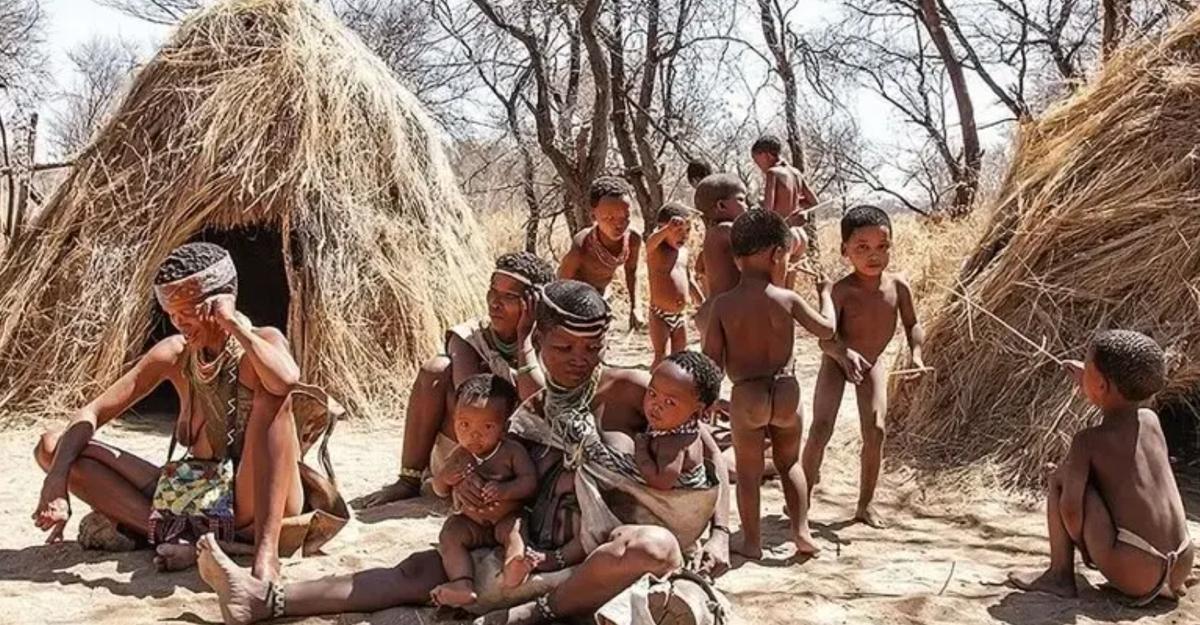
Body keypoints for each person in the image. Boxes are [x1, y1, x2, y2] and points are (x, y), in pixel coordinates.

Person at [197, 280, 734, 625]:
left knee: (652, 546)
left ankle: (532, 617)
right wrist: (481, 493)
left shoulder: (631, 391)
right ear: (535, 341)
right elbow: (509, 466)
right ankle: (265, 600)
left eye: (591, 347)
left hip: (605, 560)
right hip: (529, 547)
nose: (579, 359)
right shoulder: (528, 399)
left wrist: (720, 533)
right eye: (563, 347)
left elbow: (710, 457)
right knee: (416, 573)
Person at [32, 242, 344, 582]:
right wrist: (56, 479)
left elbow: (286, 379)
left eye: (188, 312)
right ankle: (183, 537)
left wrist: (233, 325)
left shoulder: (261, 342)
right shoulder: (176, 354)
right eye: (172, 313)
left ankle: (263, 553)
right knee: (53, 447)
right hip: (193, 490)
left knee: (272, 394)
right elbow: (92, 412)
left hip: (254, 504)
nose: (179, 323)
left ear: (220, 302)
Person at [1009, 330, 1194, 605]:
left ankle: (1059, 575)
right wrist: (1092, 380)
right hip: (1180, 563)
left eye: (1088, 369)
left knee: (1060, 478)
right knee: (1095, 480)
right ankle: (1166, 583)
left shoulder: (1087, 442)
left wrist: (1084, 545)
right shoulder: (1150, 421)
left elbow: (1071, 509)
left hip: (1137, 573)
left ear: (1102, 386)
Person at [364, 252, 555, 506]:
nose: (495, 303)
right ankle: (409, 479)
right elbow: (474, 407)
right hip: (468, 446)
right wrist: (467, 469)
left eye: (509, 297)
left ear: (534, 303)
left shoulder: (552, 342)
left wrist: (524, 338)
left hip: (520, 457)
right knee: (436, 370)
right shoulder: (468, 337)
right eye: (492, 292)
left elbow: (536, 402)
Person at [703, 209, 835, 559]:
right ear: (778, 254)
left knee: (748, 473)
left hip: (747, 394)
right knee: (790, 463)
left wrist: (709, 400)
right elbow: (827, 330)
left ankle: (751, 542)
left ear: (736, 258)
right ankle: (802, 533)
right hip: (786, 390)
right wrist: (826, 295)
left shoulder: (723, 306)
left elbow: (711, 362)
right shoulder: (787, 299)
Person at [802, 206, 923, 529]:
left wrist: (916, 354)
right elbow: (825, 340)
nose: (874, 255)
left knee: (876, 430)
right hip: (836, 363)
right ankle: (802, 497)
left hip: (871, 363)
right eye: (862, 247)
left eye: (882, 246)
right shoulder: (841, 291)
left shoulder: (898, 286)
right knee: (821, 429)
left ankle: (865, 505)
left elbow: (912, 324)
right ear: (845, 251)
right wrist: (843, 354)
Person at [430, 374, 539, 607]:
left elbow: (530, 483)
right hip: (471, 524)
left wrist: (505, 489)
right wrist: (445, 478)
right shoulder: (459, 455)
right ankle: (462, 584)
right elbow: (438, 489)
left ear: (505, 427)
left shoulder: (511, 452)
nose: (474, 434)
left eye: (487, 426)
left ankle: (514, 567)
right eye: (464, 425)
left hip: (505, 518)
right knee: (450, 533)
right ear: (454, 422)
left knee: (516, 531)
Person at [558, 176, 644, 330]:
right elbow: (561, 281)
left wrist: (635, 307)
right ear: (593, 216)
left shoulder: (633, 239)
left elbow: (631, 270)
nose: (619, 224)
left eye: (625, 217)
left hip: (602, 294)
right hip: (574, 296)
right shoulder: (582, 244)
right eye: (609, 218)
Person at [630, 351, 721, 491]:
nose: (656, 405)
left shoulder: (673, 443)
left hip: (680, 500)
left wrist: (641, 449)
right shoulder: (686, 428)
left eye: (669, 402)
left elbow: (661, 482)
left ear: (697, 410)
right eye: (652, 393)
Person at [645, 203, 704, 367]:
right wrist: (666, 230)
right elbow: (649, 244)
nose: (684, 236)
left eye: (687, 230)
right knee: (660, 356)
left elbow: (689, 279)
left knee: (679, 357)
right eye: (677, 231)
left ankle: (674, 382)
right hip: (659, 314)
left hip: (680, 315)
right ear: (662, 228)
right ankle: (655, 381)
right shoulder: (656, 250)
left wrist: (702, 302)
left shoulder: (683, 252)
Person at [692, 173, 749, 340]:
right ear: (721, 205)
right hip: (726, 311)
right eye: (741, 200)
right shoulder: (726, 230)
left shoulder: (713, 234)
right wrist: (785, 224)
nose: (746, 206)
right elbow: (760, 247)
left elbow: (699, 268)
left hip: (713, 309)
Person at [750, 134, 818, 229]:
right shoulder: (796, 173)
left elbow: (768, 212)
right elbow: (814, 202)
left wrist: (761, 206)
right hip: (797, 230)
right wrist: (794, 204)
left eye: (757, 160)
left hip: (780, 230)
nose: (758, 165)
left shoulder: (772, 173)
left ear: (766, 155)